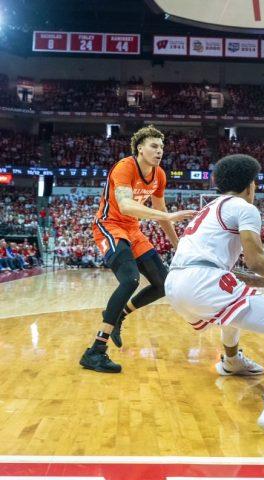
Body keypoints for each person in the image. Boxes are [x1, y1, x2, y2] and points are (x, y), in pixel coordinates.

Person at [165, 154, 264, 435]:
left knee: (232, 306)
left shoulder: (210, 208)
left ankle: (231, 361)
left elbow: (233, 273)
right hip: (203, 280)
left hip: (177, 283)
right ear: (250, 185)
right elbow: (255, 260)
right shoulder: (244, 207)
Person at [79, 125, 195, 373]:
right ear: (140, 148)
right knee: (130, 279)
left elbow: (162, 215)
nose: (159, 150)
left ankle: (120, 315)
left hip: (133, 229)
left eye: (162, 147)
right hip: (109, 225)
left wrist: (179, 246)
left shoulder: (160, 175)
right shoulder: (125, 166)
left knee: (164, 284)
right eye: (154, 146)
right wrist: (171, 216)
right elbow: (126, 205)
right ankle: (95, 351)